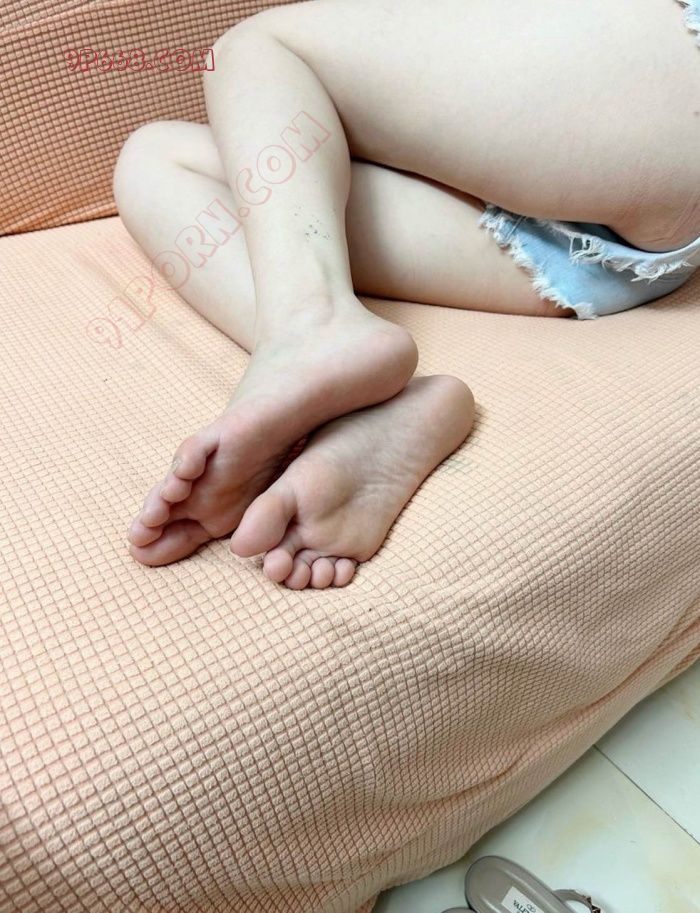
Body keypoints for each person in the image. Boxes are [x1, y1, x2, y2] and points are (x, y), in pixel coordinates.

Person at [113, 0, 700, 589]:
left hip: (658, 111)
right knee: (158, 159)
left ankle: (313, 325)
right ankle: (352, 397)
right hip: (589, 249)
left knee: (260, 48)